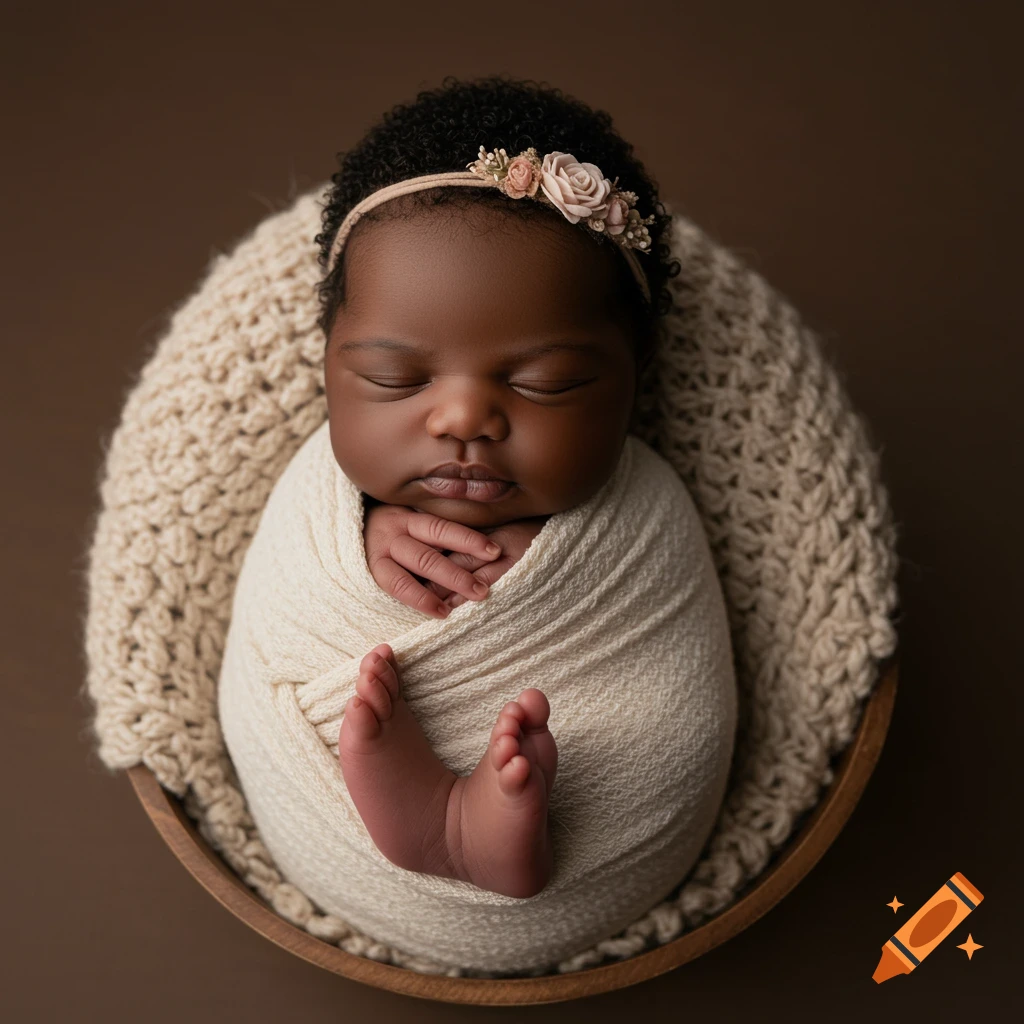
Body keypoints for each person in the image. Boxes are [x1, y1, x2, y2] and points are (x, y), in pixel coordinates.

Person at [305, 75, 726, 902]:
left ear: (634, 382)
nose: (463, 417)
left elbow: (680, 674)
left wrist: (568, 565)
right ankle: (452, 824)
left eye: (550, 382)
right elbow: (286, 577)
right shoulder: (324, 485)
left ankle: (486, 827)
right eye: (393, 378)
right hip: (330, 834)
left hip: (611, 845)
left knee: (654, 739)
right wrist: (356, 538)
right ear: (326, 362)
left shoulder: (646, 508)